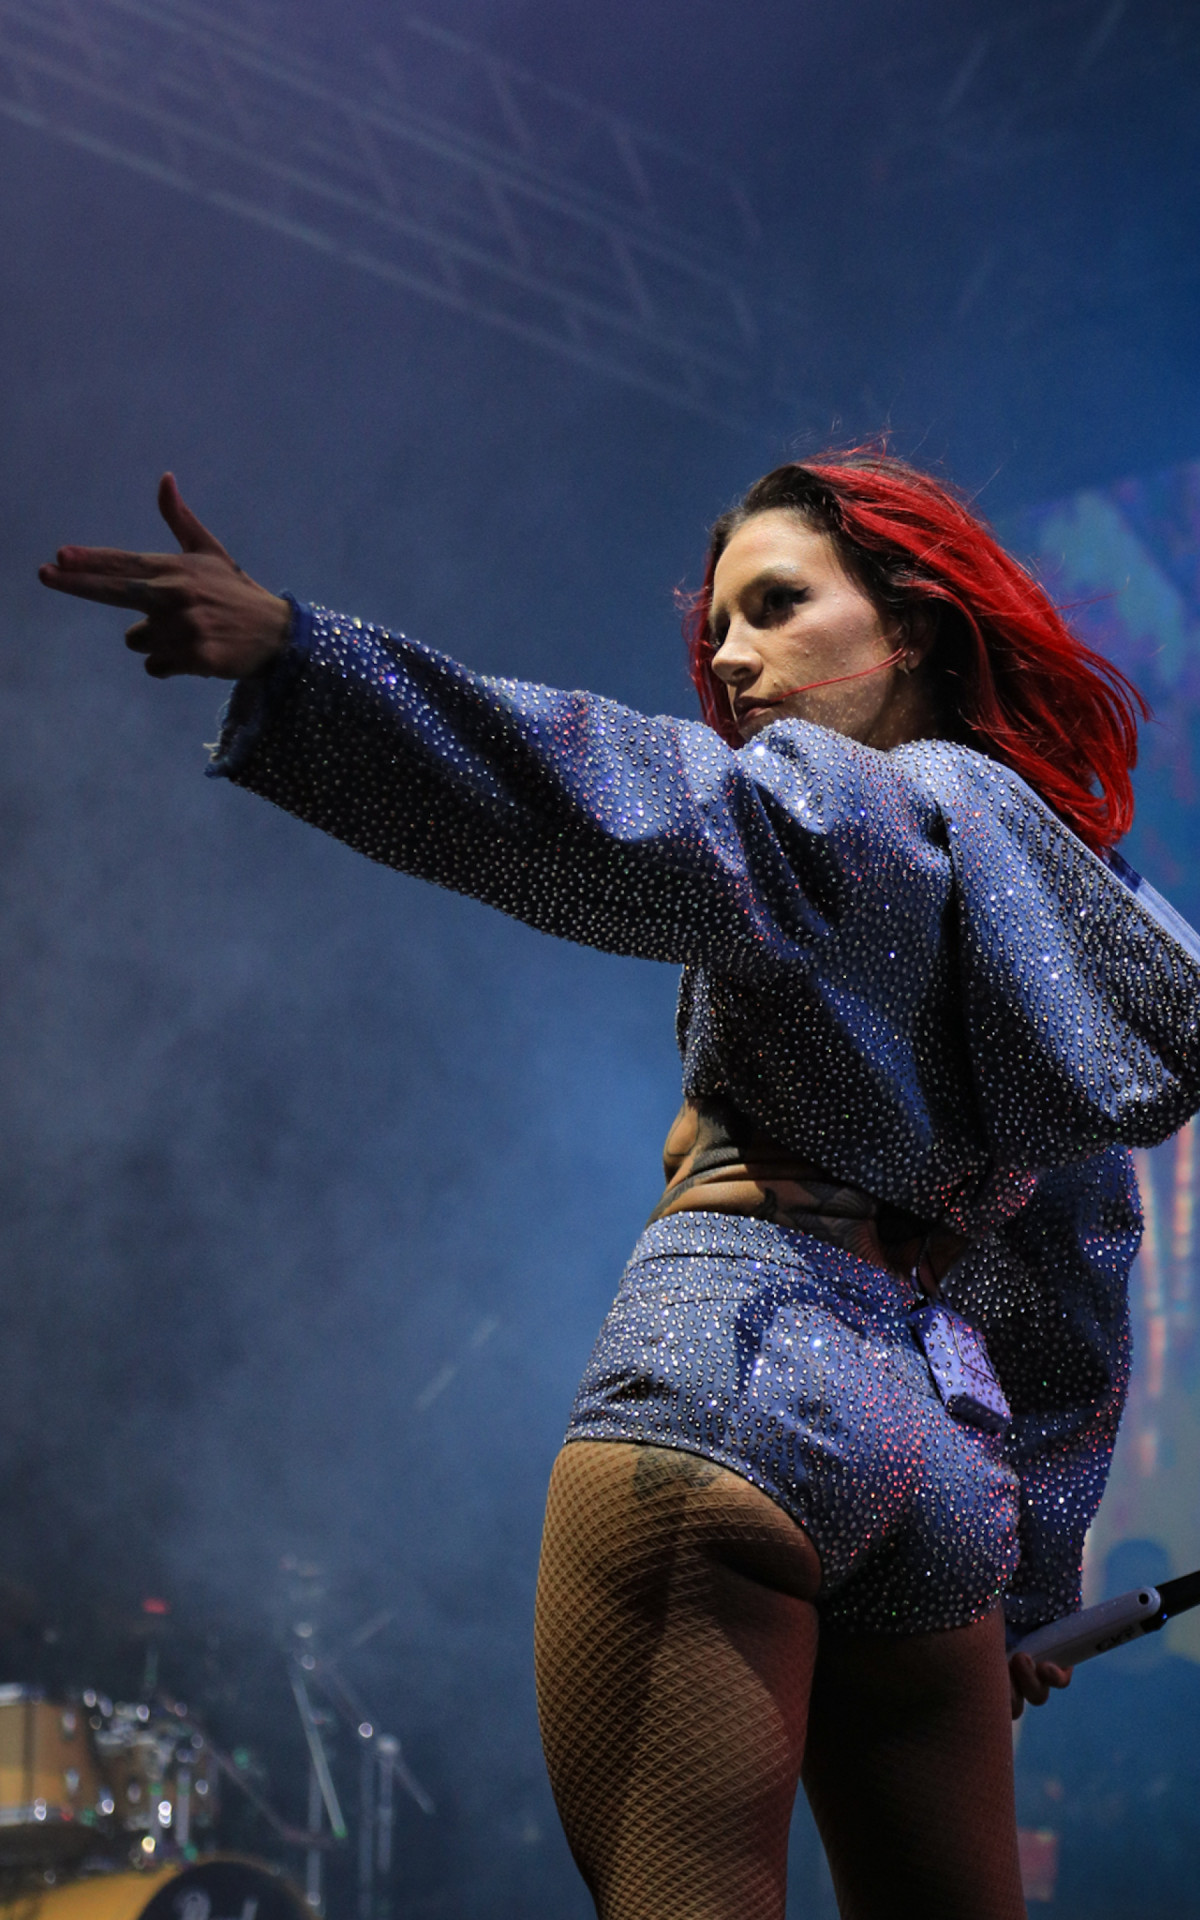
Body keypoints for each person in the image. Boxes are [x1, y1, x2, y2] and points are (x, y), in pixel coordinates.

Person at [38, 454, 1200, 1920]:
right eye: (718, 626)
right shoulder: (1044, 895)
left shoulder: (850, 799)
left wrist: (304, 659)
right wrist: (1023, 1581)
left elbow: (606, 804)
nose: (728, 656)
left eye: (776, 605)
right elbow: (1085, 1248)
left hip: (742, 1368)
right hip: (938, 1453)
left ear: (908, 626)